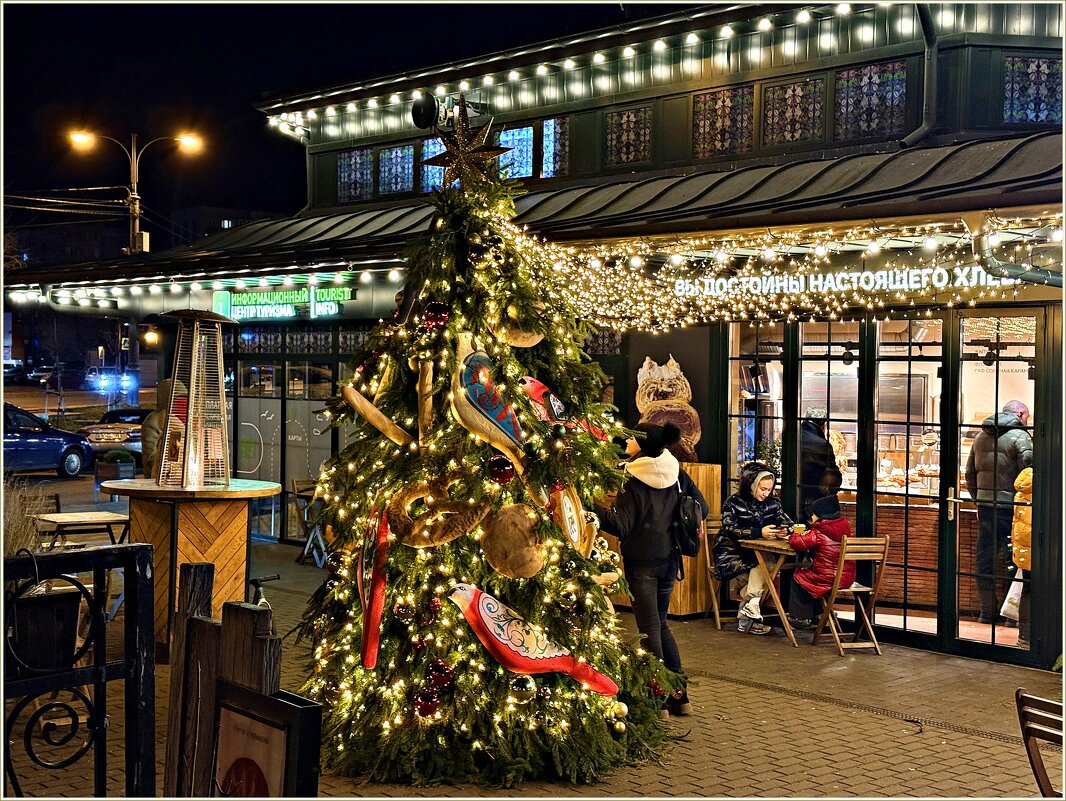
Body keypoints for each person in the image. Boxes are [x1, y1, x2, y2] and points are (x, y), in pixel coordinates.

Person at [596, 422, 707, 717]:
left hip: (641, 563)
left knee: (649, 630)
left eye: (632, 437)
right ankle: (680, 697)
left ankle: (657, 701)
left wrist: (591, 509)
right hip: (670, 561)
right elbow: (702, 509)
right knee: (661, 625)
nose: (627, 440)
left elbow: (620, 525)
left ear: (643, 444)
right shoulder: (677, 474)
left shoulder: (632, 480)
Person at [964, 400, 1033, 624]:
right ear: (1021, 414)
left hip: (986, 507)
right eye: (1027, 418)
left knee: (985, 559)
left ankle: (986, 613)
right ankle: (1012, 616)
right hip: (1013, 509)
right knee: (1015, 559)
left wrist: (979, 501)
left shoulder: (979, 437)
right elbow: (1030, 475)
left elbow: (969, 474)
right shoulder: (1021, 436)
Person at [713, 461, 794, 635]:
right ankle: (749, 611)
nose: (766, 493)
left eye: (769, 489)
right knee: (766, 568)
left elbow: (788, 523)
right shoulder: (733, 502)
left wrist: (784, 530)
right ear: (751, 484)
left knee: (766, 565)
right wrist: (759, 532)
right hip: (730, 554)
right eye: (762, 489)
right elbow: (730, 529)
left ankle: (748, 611)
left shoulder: (773, 503)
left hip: (755, 554)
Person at [785, 495, 855, 629]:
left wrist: (795, 534)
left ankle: (800, 617)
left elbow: (798, 543)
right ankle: (820, 615)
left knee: (799, 577)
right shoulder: (845, 528)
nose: (811, 517)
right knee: (812, 576)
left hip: (827, 578)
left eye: (814, 514)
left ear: (821, 515)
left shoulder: (820, 531)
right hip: (845, 578)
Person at [798, 407, 842, 520]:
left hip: (794, 499)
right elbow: (834, 476)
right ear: (823, 425)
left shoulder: (793, 438)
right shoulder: (822, 444)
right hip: (816, 502)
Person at [1010, 467, 1033, 650]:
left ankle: (1024, 637)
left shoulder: (1022, 490)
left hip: (1025, 550)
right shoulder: (1044, 486)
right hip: (1041, 549)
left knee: (1028, 589)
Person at [141, 378, 174, 479]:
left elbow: (149, 450)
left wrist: (148, 472)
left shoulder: (156, 418)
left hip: (163, 474)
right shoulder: (194, 416)